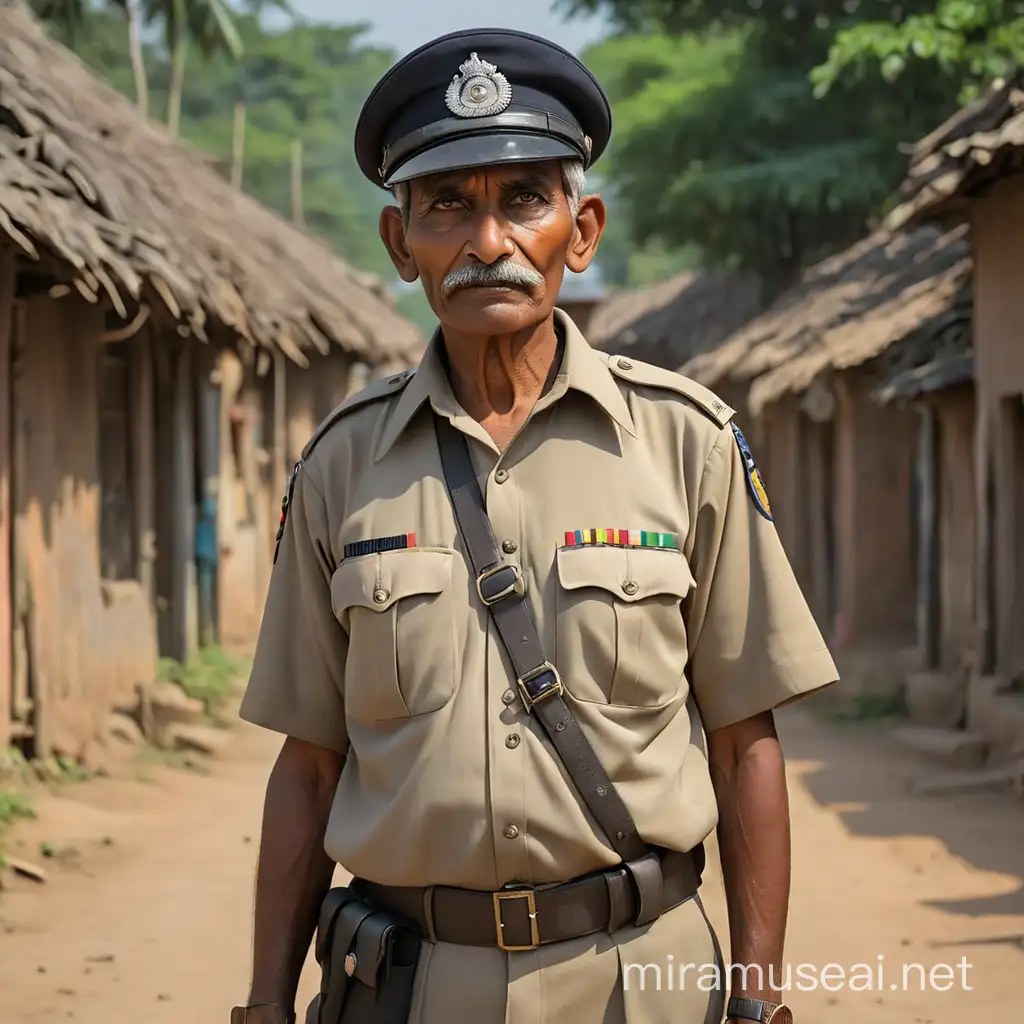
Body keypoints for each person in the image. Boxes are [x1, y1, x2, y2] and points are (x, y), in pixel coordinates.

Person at [232, 27, 838, 1024]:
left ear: (582, 228)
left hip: (642, 984)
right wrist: (263, 1003)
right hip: (406, 990)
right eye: (446, 208)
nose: (487, 244)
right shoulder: (342, 467)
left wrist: (757, 997)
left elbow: (743, 743)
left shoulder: (686, 443)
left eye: (523, 201)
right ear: (399, 243)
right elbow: (307, 762)